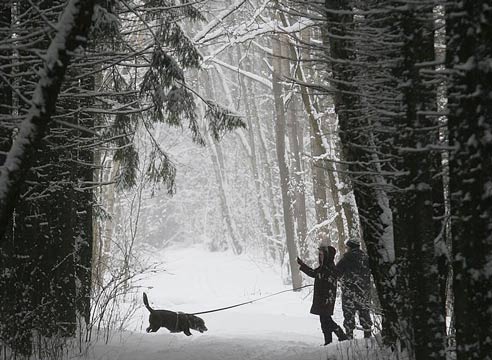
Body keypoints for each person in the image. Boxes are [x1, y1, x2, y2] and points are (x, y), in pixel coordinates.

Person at [297, 245, 348, 345]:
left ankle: (341, 337)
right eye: (319, 255)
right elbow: (313, 273)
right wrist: (302, 265)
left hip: (326, 299)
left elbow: (329, 282)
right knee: (324, 320)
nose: (320, 257)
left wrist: (326, 294)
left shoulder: (330, 268)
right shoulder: (323, 267)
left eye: (322, 255)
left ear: (327, 256)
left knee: (326, 320)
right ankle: (328, 341)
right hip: (321, 298)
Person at [336, 238, 373, 339]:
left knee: (349, 315)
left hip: (349, 292)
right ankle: (368, 336)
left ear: (350, 247)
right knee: (365, 313)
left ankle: (349, 337)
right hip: (364, 292)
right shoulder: (366, 258)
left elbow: (336, 272)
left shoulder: (346, 258)